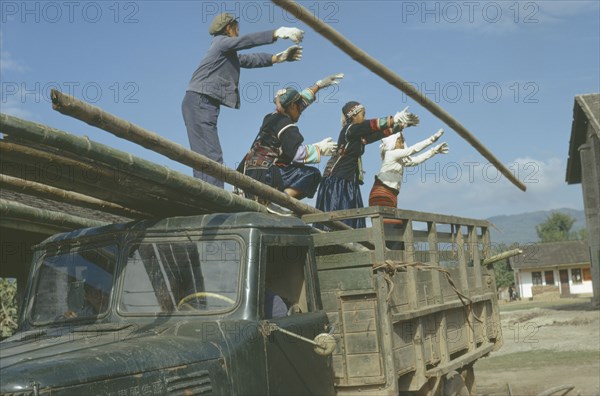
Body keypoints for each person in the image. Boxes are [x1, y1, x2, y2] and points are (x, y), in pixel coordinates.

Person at [182, 12, 305, 188]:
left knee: (203, 155)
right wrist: (276, 33)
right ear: (228, 28)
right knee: (211, 153)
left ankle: (203, 190)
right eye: (236, 28)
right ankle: (214, 196)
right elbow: (246, 41)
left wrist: (278, 58)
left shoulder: (225, 53)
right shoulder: (221, 43)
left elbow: (250, 59)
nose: (238, 32)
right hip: (201, 101)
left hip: (198, 101)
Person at [315, 103, 420, 228]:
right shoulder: (350, 129)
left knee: (351, 219)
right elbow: (370, 126)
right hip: (338, 180)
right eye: (363, 114)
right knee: (338, 217)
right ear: (353, 115)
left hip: (348, 180)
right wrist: (393, 119)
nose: (364, 118)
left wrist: (401, 125)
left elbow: (377, 134)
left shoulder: (357, 135)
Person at [241, 74, 343, 200]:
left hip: (249, 173)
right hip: (266, 175)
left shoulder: (270, 118)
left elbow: (299, 102)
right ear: (293, 106)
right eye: (298, 107)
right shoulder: (286, 125)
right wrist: (320, 148)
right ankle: (281, 201)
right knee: (312, 174)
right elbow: (296, 155)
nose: (301, 111)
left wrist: (318, 86)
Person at [368, 128, 448, 210]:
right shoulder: (391, 154)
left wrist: (434, 151)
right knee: (390, 221)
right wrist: (432, 139)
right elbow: (412, 150)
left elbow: (416, 160)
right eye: (400, 141)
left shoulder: (399, 159)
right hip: (382, 193)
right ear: (392, 143)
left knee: (393, 221)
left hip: (390, 194)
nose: (403, 144)